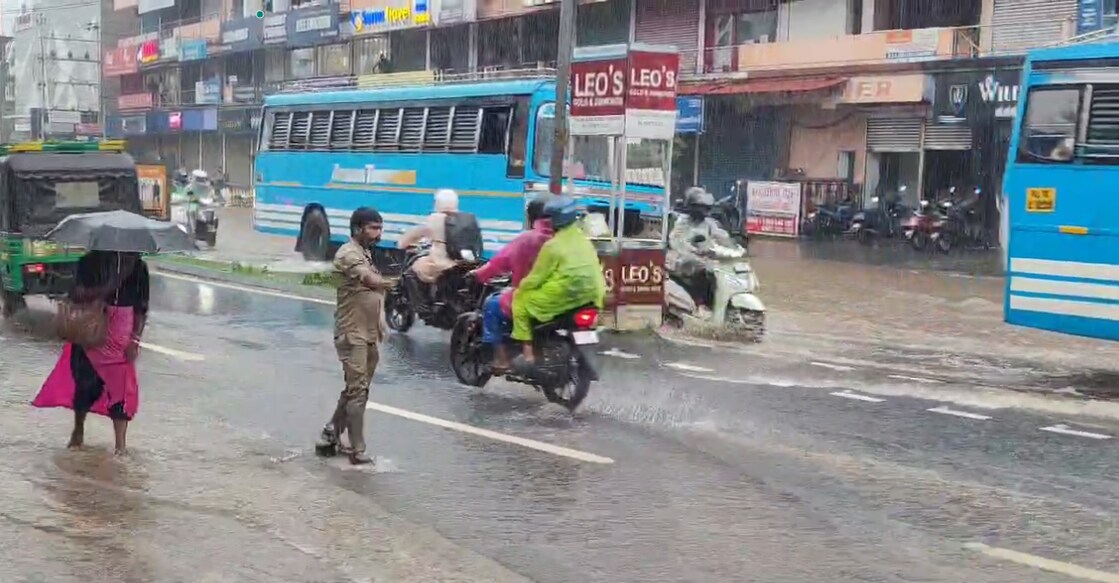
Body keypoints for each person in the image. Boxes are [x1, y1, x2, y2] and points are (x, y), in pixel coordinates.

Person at [33, 251, 149, 456]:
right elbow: (76, 294)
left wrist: (135, 339)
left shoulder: (139, 267)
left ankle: (120, 446)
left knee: (120, 389)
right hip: (90, 331)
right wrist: (109, 286)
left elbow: (141, 307)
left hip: (120, 336)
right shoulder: (90, 261)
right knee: (85, 384)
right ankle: (79, 429)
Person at [317, 207, 389, 465]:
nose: (379, 234)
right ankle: (357, 450)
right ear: (358, 229)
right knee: (358, 391)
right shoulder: (348, 253)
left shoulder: (365, 252)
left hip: (368, 333)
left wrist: (380, 323)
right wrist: (398, 281)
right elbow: (370, 280)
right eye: (373, 228)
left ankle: (330, 434)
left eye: (380, 228)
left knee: (356, 389)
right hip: (352, 334)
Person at [510, 196, 605, 369]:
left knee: (519, 301)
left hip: (565, 295)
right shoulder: (585, 242)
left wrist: (521, 288)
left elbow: (537, 277)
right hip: (592, 294)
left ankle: (528, 354)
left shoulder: (552, 246)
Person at [468, 195, 553, 372]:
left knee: (491, 304)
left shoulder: (528, 239)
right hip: (568, 299)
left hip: (533, 299)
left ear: (531, 217)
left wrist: (478, 274)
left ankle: (502, 360)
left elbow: (499, 263)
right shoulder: (569, 240)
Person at [668, 187, 737, 310]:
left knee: (721, 271)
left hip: (705, 259)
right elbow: (676, 241)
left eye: (706, 207)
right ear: (693, 207)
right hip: (684, 261)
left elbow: (722, 236)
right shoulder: (682, 222)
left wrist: (733, 247)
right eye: (702, 207)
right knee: (704, 270)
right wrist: (693, 250)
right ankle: (701, 303)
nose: (705, 210)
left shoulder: (709, 223)